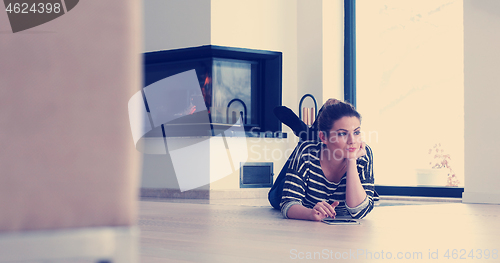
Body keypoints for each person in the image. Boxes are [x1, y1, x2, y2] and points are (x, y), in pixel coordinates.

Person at [268, 99, 375, 221]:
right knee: (275, 197)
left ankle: (308, 134)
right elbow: (288, 203)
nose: (353, 141)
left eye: (356, 132)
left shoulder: (363, 154)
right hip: (288, 193)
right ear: (323, 137)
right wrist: (309, 213)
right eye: (342, 134)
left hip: (318, 146)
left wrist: (351, 160)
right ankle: (309, 136)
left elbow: (360, 212)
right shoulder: (307, 152)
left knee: (308, 146)